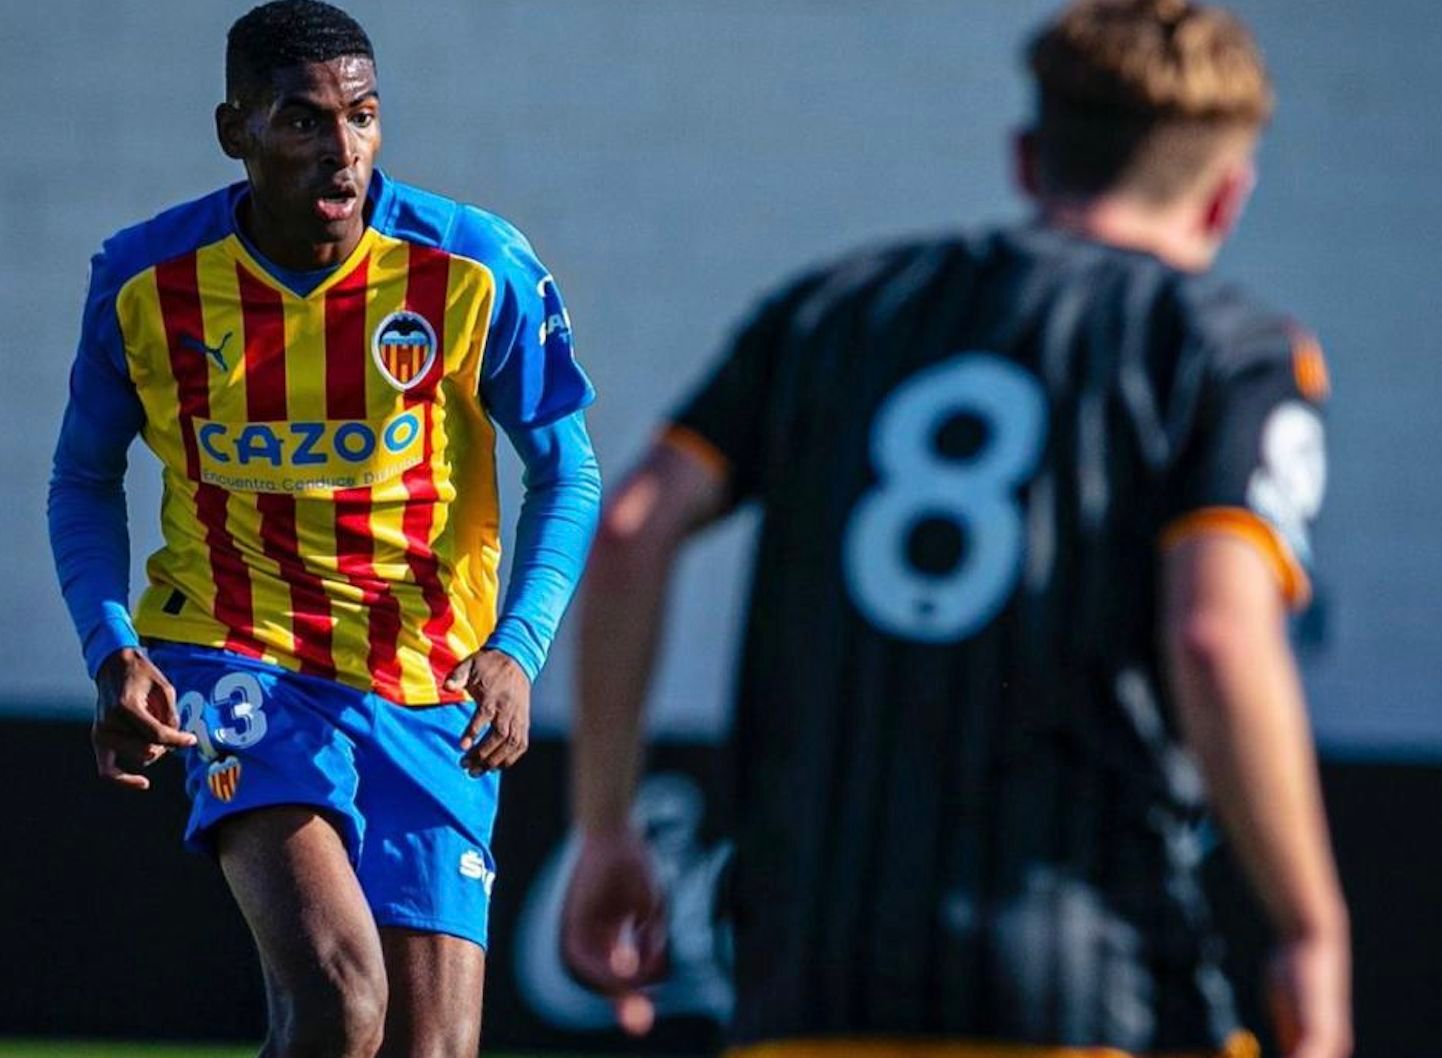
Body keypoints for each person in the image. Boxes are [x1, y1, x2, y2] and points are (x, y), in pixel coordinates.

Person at [561, 1, 1349, 1056]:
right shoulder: (1223, 351)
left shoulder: (833, 311)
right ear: (1224, 198)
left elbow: (628, 528)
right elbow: (1215, 632)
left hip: (808, 977)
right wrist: (1308, 924)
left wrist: (604, 824)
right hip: (1083, 978)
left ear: (1026, 159)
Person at [47, 2, 600, 1055]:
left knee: (427, 1048)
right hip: (236, 655)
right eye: (302, 121)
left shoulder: (473, 267)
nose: (340, 150)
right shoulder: (146, 281)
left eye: (362, 116)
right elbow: (83, 475)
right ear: (235, 131)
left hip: (429, 683)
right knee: (343, 1001)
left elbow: (566, 471)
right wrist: (111, 643)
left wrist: (518, 648)